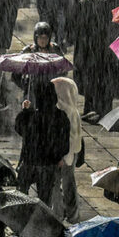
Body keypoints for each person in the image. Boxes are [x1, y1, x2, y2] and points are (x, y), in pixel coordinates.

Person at [14, 80, 70, 207]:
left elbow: (19, 128)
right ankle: (41, 221)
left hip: (29, 162)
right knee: (44, 200)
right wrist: (58, 157)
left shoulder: (31, 116)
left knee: (21, 194)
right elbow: (64, 144)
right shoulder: (61, 117)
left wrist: (25, 111)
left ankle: (22, 215)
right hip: (48, 164)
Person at [51, 77, 83, 223]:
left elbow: (70, 137)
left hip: (64, 155)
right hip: (70, 153)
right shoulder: (72, 109)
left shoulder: (64, 111)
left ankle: (59, 213)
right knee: (68, 184)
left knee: (57, 184)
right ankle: (72, 214)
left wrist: (65, 157)